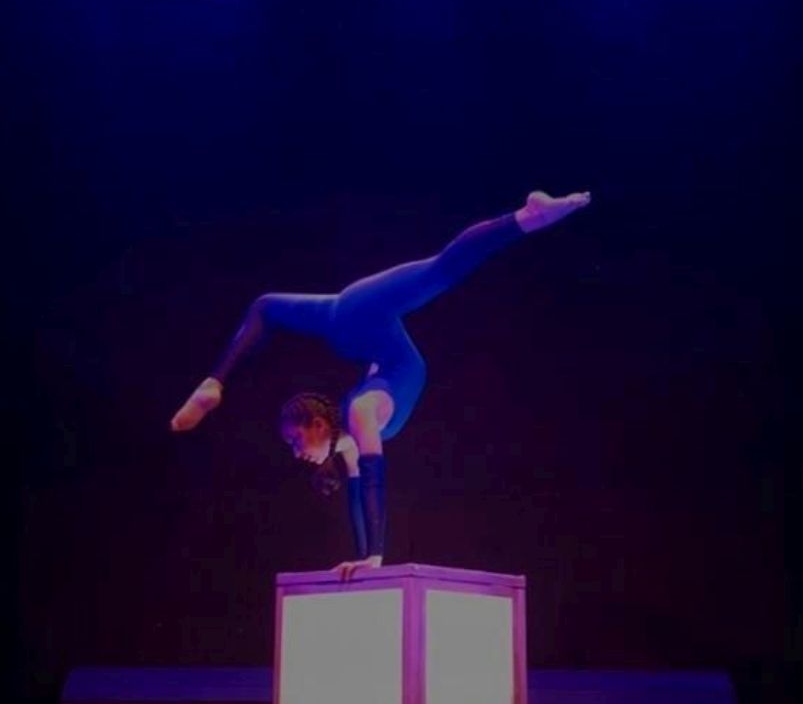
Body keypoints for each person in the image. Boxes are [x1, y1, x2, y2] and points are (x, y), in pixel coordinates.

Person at [170, 190, 591, 579]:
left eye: (296, 440)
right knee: (264, 306)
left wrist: (375, 556)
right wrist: (363, 558)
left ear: (319, 424)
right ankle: (213, 383)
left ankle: (527, 216)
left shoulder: (360, 412)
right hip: (347, 323)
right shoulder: (350, 435)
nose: (297, 452)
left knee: (441, 269)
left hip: (359, 315)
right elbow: (356, 491)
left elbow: (374, 479)